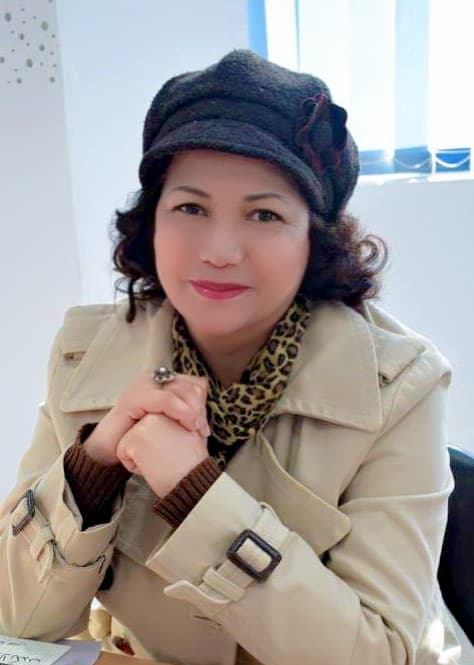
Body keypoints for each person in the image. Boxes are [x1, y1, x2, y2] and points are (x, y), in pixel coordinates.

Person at [0, 49, 468, 665]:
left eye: (264, 214)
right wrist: (93, 465)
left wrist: (197, 497)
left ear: (315, 240)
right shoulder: (85, 357)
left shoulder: (400, 384)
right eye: (190, 208)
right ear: (152, 223)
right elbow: (17, 622)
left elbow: (378, 655)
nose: (220, 250)